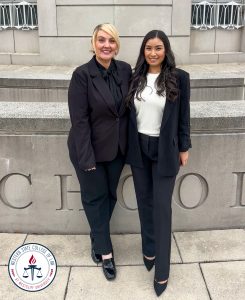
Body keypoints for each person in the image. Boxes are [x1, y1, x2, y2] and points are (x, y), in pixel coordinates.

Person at [126, 30, 191, 296]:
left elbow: (184, 115)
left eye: (159, 48)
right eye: (149, 48)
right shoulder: (134, 77)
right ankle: (149, 250)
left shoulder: (179, 78)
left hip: (166, 150)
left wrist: (184, 146)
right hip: (139, 147)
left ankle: (162, 271)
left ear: (166, 50)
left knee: (162, 209)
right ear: (143, 50)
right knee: (144, 203)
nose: (153, 52)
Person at [67, 23, 132, 281]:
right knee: (95, 200)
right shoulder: (81, 75)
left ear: (117, 45)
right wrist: (86, 159)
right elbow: (79, 120)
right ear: (93, 43)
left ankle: (96, 234)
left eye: (111, 41)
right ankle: (105, 251)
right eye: (101, 40)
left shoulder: (125, 70)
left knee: (110, 197)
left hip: (116, 148)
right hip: (89, 150)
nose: (107, 45)